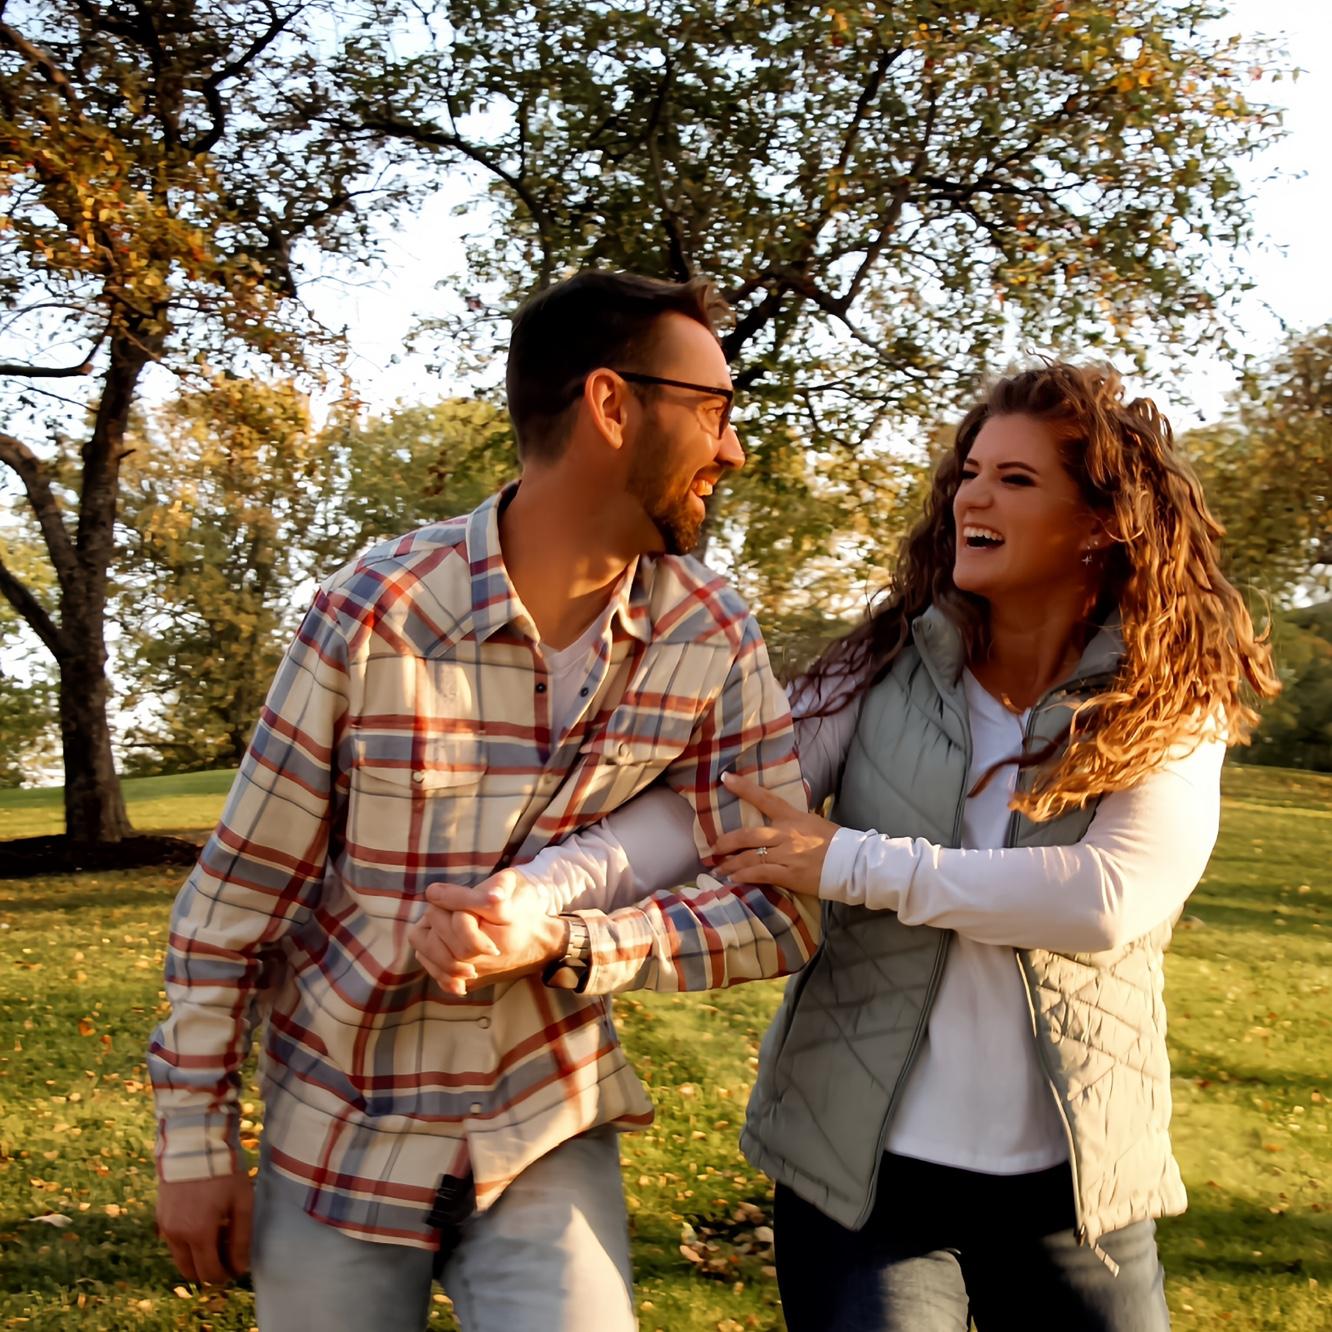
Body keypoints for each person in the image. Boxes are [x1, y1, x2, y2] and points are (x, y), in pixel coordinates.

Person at [424, 362, 1279, 1330]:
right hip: (863, 1182)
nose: (973, 497)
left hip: (1076, 1197)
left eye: (1015, 479)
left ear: (1100, 524)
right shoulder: (876, 666)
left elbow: (1107, 898)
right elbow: (714, 808)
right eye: (969, 473)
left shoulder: (1170, 699)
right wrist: (536, 894)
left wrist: (848, 862)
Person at [147, 269, 821, 1332]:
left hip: (543, 1117)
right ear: (611, 405)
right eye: (711, 410)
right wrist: (194, 1145)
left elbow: (781, 903)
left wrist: (571, 941)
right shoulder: (375, 615)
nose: (731, 448)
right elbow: (234, 905)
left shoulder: (711, 633)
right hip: (337, 1126)